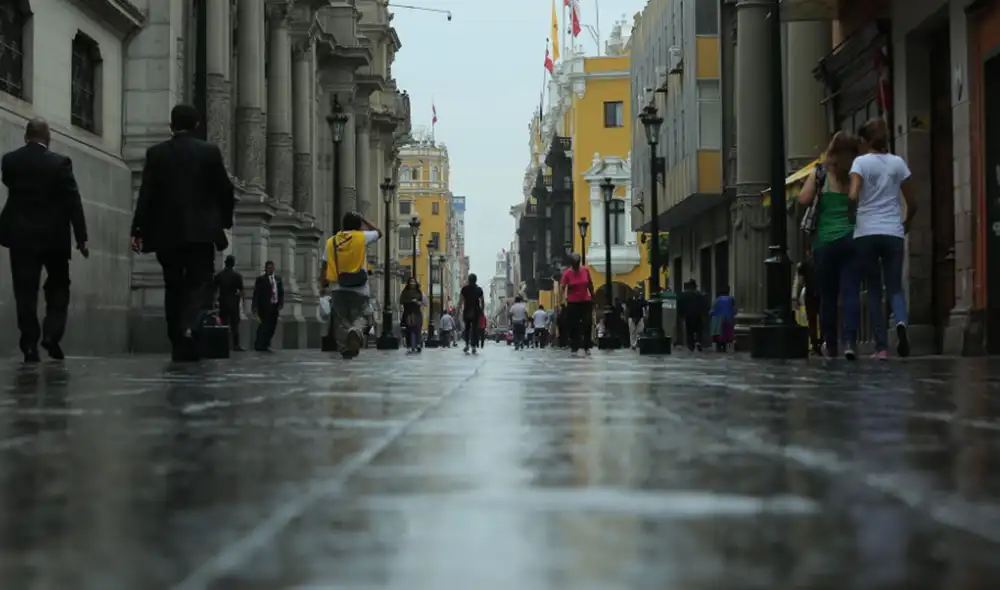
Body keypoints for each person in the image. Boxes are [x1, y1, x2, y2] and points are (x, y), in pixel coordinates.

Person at [131, 104, 234, 362]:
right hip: (201, 233)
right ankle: (190, 326)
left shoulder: (156, 153)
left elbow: (146, 194)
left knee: (173, 285)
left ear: (171, 125)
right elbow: (225, 190)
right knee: (200, 282)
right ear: (197, 124)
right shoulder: (209, 152)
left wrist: (138, 229)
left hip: (167, 234)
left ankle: (177, 339)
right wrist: (224, 221)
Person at [0, 118, 88, 362]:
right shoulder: (60, 163)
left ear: (26, 136)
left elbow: (9, 183)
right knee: (59, 286)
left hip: (21, 236)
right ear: (48, 137)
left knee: (25, 291)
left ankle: (29, 345)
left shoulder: (10, 161)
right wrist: (81, 237)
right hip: (54, 238)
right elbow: (73, 200)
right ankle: (51, 334)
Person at [850, 118, 917, 360]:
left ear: (864, 140)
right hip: (892, 232)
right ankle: (900, 322)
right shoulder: (898, 163)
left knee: (874, 289)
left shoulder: (860, 163)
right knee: (895, 286)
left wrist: (853, 214)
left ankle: (881, 348)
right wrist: (906, 223)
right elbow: (913, 202)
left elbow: (853, 195)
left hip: (866, 233)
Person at [798, 131, 862, 359]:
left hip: (824, 243)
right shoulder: (856, 175)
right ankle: (850, 343)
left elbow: (803, 199)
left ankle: (831, 345)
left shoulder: (820, 173)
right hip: (851, 239)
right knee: (851, 292)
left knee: (828, 296)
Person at [321, 212, 383, 359]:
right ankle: (356, 330)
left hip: (338, 286)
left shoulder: (331, 241)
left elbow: (324, 264)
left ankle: (345, 348)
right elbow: (379, 232)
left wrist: (322, 284)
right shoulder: (362, 237)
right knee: (364, 315)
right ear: (358, 225)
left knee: (341, 320)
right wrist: (364, 218)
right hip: (360, 287)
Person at [559, 252, 595, 356]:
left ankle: (587, 346)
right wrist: (562, 300)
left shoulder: (585, 270)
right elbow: (562, 287)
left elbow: (590, 284)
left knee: (587, 323)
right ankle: (574, 346)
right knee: (573, 324)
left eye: (577, 263)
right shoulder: (567, 273)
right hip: (573, 302)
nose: (576, 265)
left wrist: (593, 296)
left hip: (585, 300)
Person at [214, 255, 245, 351]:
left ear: (225, 263)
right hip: (234, 303)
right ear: (233, 264)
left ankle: (222, 345)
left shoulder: (219, 275)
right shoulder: (237, 276)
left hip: (223, 302)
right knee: (234, 325)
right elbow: (242, 291)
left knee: (223, 324)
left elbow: (214, 289)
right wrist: (239, 299)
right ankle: (236, 345)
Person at [251, 261, 283, 352]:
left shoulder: (278, 279)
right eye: (268, 268)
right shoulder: (261, 279)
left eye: (272, 268)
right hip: (264, 307)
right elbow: (256, 294)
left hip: (274, 307)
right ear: (265, 269)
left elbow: (281, 292)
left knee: (272, 326)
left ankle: (266, 343)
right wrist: (255, 306)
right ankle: (259, 345)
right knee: (263, 326)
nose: (270, 269)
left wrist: (281, 303)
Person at [793, 253, 821, 355]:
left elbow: (800, 282)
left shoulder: (804, 265)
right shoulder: (822, 262)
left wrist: (795, 296)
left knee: (811, 320)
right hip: (821, 292)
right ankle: (823, 342)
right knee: (823, 317)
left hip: (810, 293)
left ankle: (814, 344)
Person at [677, 279, 709, 351]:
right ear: (695, 286)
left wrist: (681, 314)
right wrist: (704, 313)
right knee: (699, 329)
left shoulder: (684, 295)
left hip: (688, 315)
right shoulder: (699, 294)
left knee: (689, 331)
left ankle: (691, 345)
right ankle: (698, 341)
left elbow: (680, 304)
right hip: (698, 315)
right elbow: (705, 304)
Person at [459, 273, 485, 354]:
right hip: (476, 311)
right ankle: (473, 346)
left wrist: (458, 310)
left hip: (467, 310)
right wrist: (482, 310)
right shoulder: (479, 289)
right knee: (474, 329)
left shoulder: (464, 289)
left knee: (467, 328)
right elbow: (482, 300)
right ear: (476, 280)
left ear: (469, 280)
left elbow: (461, 300)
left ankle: (467, 344)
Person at [710, 286, 737, 352]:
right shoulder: (731, 299)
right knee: (726, 334)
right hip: (728, 319)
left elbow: (712, 309)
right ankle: (725, 347)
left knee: (718, 333)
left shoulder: (717, 299)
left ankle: (719, 347)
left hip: (718, 319)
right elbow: (734, 309)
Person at [399, 278, 423, 352]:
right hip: (408, 312)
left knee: (418, 328)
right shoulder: (405, 292)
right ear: (408, 283)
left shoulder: (418, 291)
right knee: (408, 329)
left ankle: (418, 344)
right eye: (411, 282)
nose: (412, 283)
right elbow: (401, 301)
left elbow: (421, 302)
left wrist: (417, 302)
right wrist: (410, 301)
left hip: (417, 312)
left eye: (413, 282)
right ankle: (409, 345)